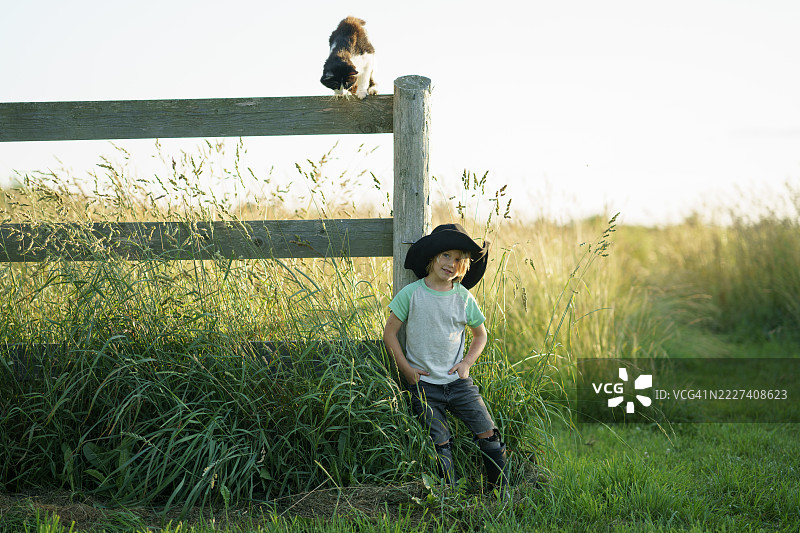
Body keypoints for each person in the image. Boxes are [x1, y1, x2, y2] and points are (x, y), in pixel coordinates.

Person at [383, 223, 508, 495]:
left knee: (488, 431)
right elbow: (389, 333)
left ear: (464, 267)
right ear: (432, 257)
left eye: (458, 259)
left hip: (458, 382)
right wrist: (406, 370)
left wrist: (466, 363)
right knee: (439, 441)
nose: (451, 263)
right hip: (424, 385)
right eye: (446, 255)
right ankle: (447, 495)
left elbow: (480, 335)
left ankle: (499, 492)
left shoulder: (463, 298)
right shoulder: (412, 294)